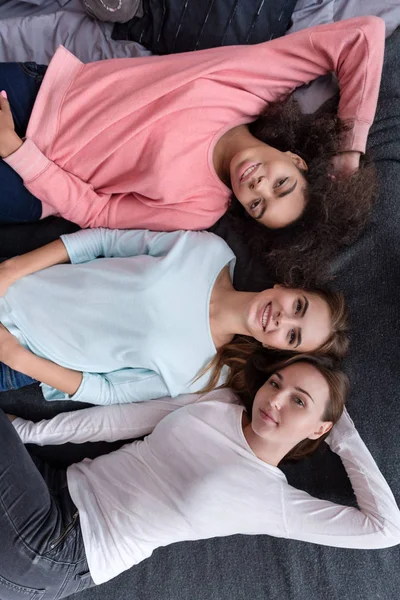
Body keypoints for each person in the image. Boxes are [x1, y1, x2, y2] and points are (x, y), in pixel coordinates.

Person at [0, 18, 384, 280]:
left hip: (31, 180)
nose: (258, 186)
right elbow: (362, 35)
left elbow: (96, 210)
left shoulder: (200, 209)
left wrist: (19, 154)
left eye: (258, 205)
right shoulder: (252, 87)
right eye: (281, 184)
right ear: (295, 159)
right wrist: (349, 151)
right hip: (39, 93)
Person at [1, 353, 399, 598]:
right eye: (276, 383)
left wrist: (342, 431)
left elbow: (386, 529)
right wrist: (26, 433)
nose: (275, 399)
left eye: (299, 401)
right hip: (49, 483)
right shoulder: (220, 401)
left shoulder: (271, 498)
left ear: (319, 428)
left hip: (60, 550)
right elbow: (120, 421)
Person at [0, 227, 348, 404]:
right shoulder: (210, 251)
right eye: (298, 307)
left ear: (280, 349)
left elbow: (109, 393)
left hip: (15, 356)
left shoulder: (205, 375)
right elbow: (103, 242)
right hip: (14, 281)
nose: (281, 319)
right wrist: (12, 270)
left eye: (292, 335)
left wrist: (19, 359)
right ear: (287, 286)